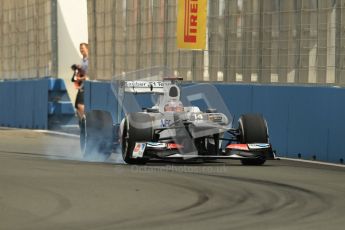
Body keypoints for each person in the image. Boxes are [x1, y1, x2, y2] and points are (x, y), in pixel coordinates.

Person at [71, 43, 89, 121]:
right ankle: (83, 122)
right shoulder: (83, 60)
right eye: (80, 48)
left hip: (86, 85)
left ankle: (86, 122)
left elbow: (89, 75)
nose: (81, 50)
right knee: (77, 105)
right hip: (82, 85)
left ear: (87, 49)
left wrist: (80, 78)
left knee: (80, 105)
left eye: (83, 48)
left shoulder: (89, 60)